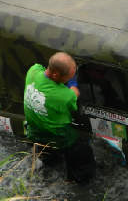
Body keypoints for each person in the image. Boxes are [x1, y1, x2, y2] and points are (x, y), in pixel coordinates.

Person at [24, 51, 95, 182]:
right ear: (56, 74)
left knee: (49, 161)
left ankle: (48, 163)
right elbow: (74, 95)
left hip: (34, 133)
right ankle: (78, 182)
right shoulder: (64, 96)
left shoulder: (32, 71)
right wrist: (73, 84)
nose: (69, 78)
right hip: (59, 138)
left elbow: (41, 67)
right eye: (69, 76)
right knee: (82, 154)